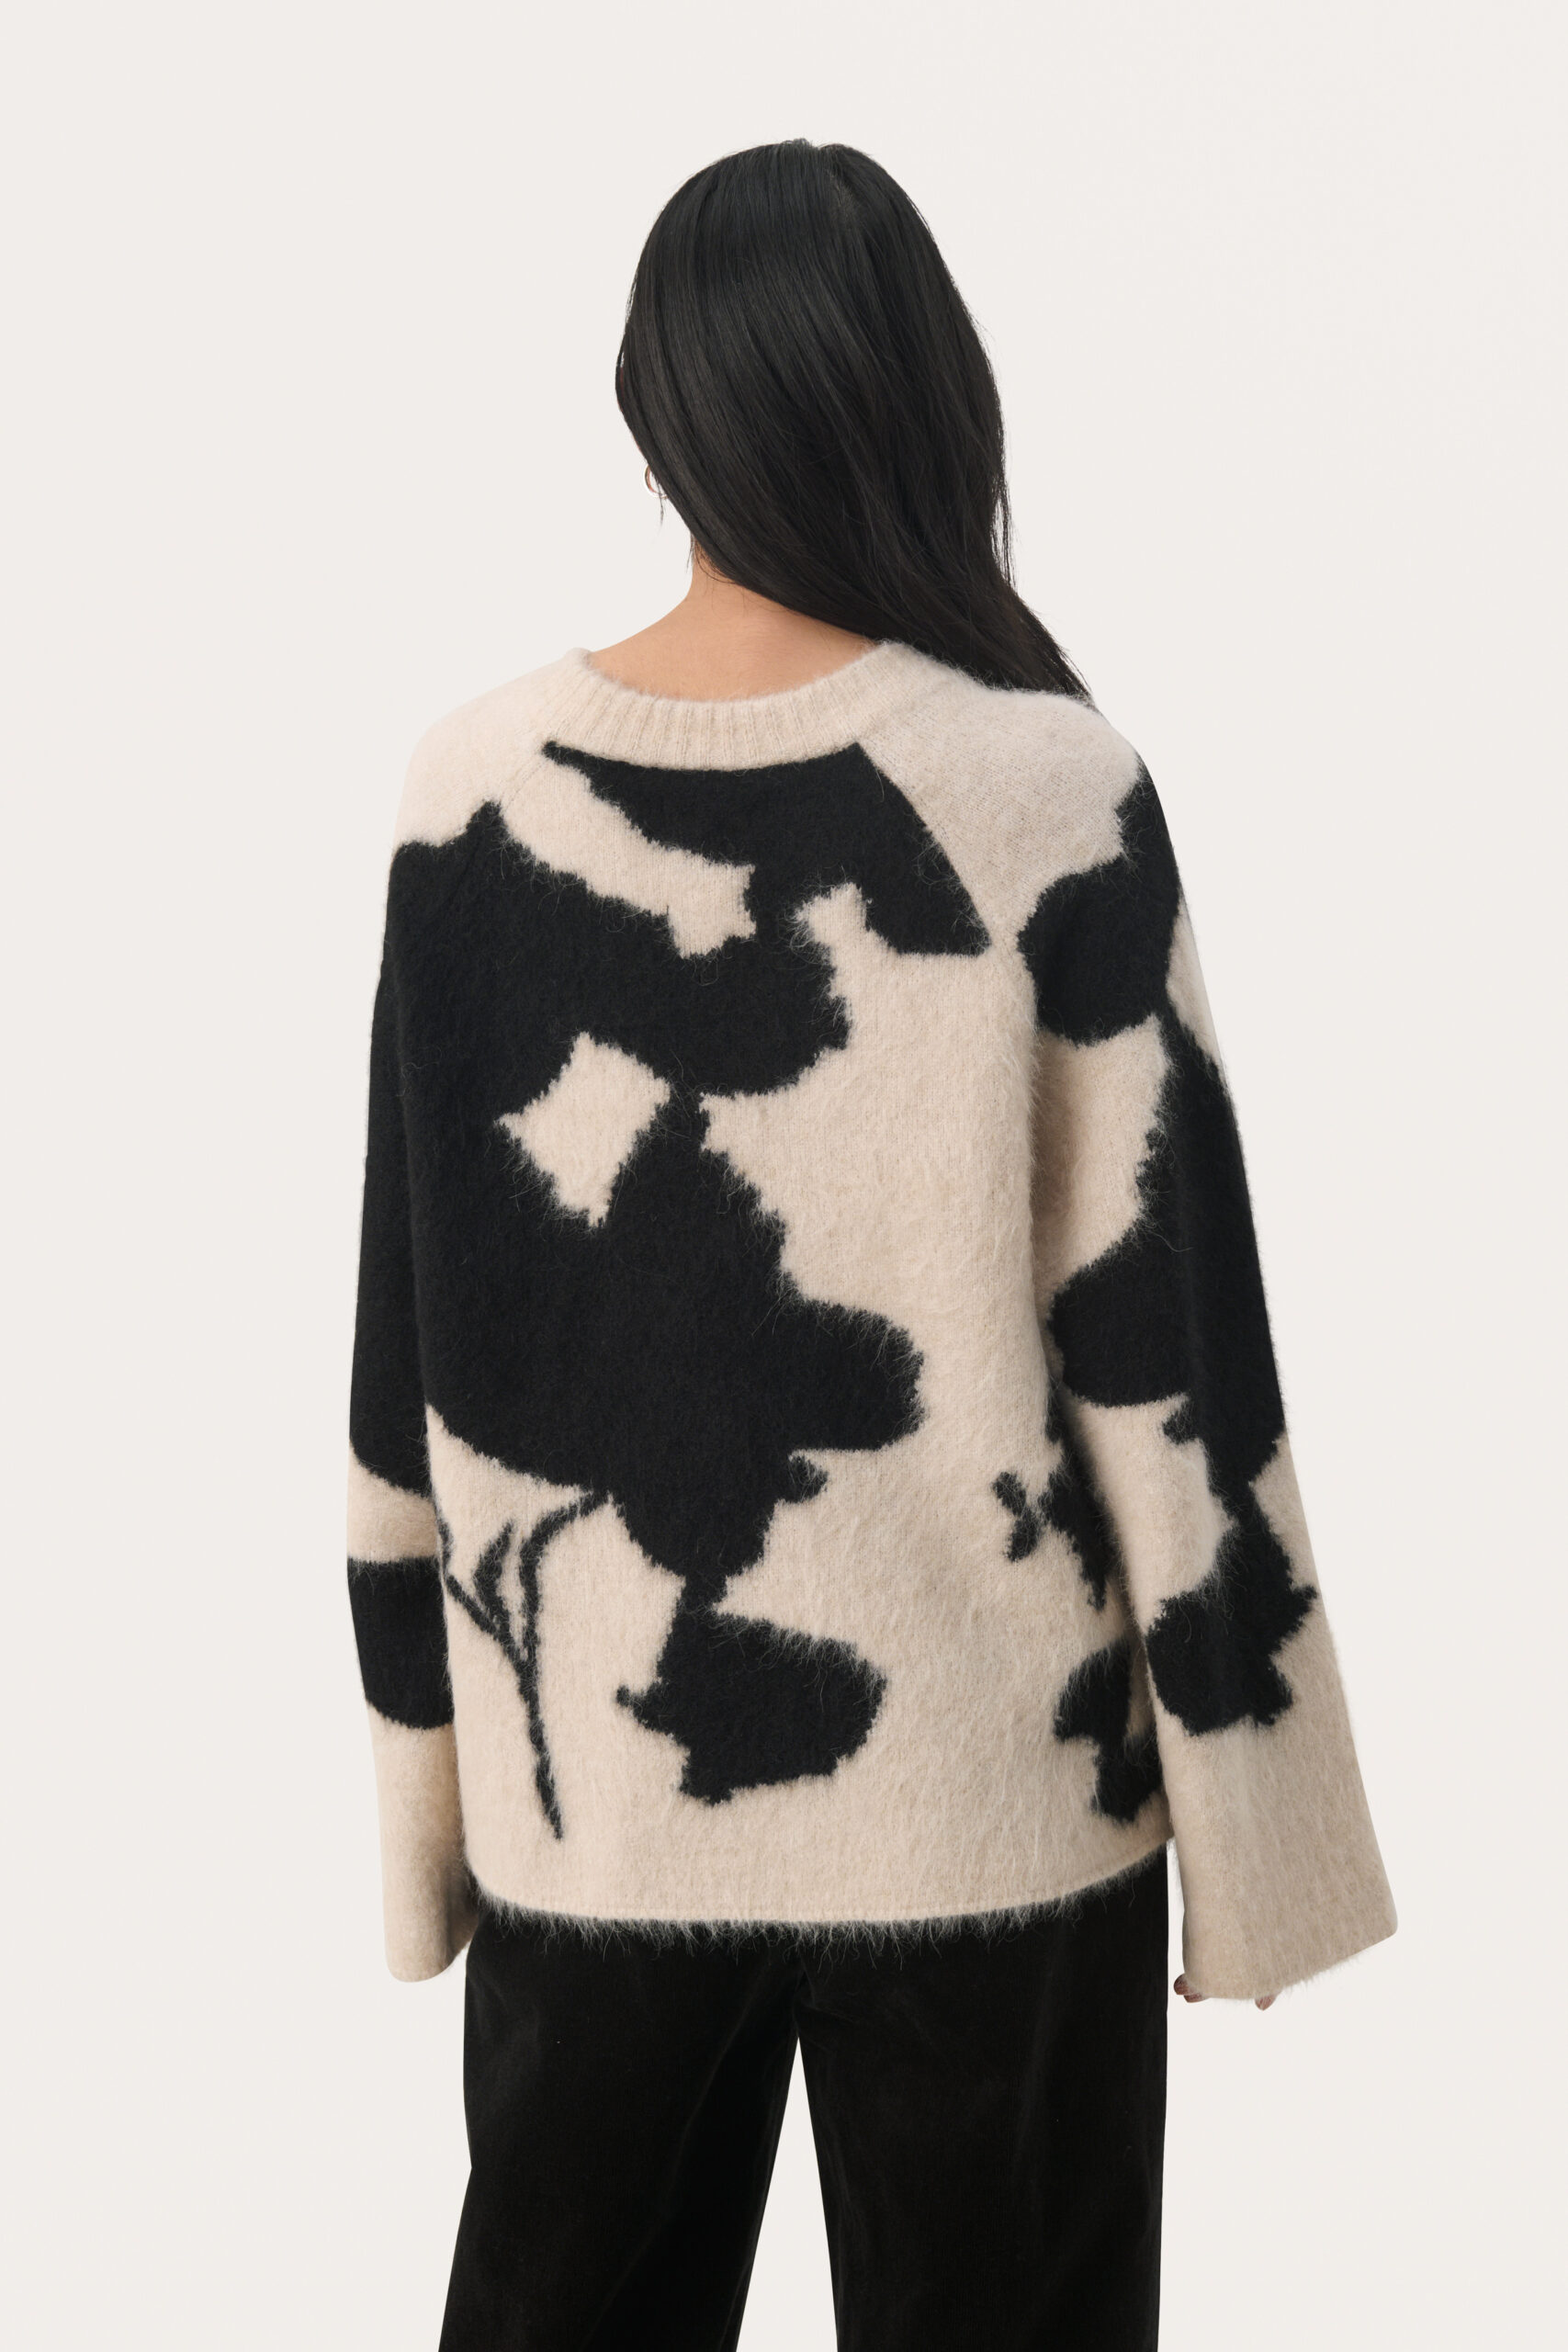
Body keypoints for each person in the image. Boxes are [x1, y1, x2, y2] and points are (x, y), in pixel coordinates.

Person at [345, 140, 1396, 2352]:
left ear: (653, 413)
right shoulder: (1049, 785)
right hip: (1001, 1817)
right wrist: (1256, 1842)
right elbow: (1174, 1358)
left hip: (595, 1807)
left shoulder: (470, 788)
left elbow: (411, 1349)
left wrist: (426, 1807)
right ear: (929, 398)